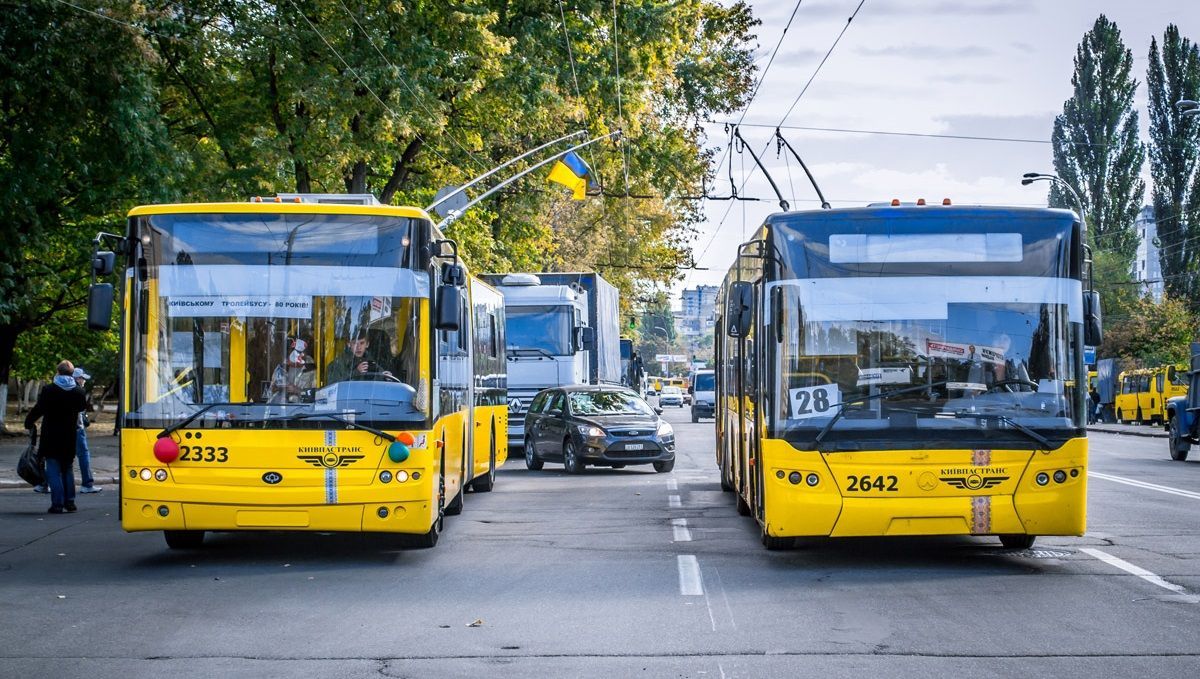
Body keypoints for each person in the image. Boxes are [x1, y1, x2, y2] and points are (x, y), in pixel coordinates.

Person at [25, 360, 88, 514]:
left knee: (53, 469)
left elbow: (39, 409)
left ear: (58, 372)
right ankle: (70, 502)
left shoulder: (49, 390)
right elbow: (81, 407)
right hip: (69, 435)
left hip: (51, 435)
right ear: (72, 374)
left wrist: (29, 422)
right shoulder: (78, 392)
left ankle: (57, 504)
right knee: (67, 468)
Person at [73, 367, 102, 493]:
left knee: (58, 457)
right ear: (77, 379)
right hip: (77, 429)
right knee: (83, 455)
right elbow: (80, 410)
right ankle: (87, 484)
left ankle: (47, 483)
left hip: (62, 429)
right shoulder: (78, 391)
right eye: (82, 378)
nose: (84, 381)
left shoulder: (59, 389)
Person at [326, 331, 392, 383]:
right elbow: (333, 386)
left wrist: (385, 377)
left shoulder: (372, 362)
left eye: (362, 343)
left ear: (367, 344)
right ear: (349, 344)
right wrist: (356, 372)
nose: (358, 347)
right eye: (355, 343)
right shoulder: (337, 364)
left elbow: (375, 386)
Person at [268, 338, 316, 403]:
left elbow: (316, 395)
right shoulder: (280, 368)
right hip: (283, 410)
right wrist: (276, 389)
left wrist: (298, 391)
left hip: (304, 409)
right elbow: (270, 393)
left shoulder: (311, 368)